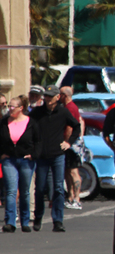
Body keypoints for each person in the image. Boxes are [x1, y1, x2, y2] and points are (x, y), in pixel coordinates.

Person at [31, 85, 81, 232]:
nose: (48, 99)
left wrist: (68, 142)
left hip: (57, 155)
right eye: (46, 96)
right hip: (41, 156)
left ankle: (58, 220)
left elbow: (76, 127)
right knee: (40, 188)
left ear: (57, 97)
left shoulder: (63, 112)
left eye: (51, 96)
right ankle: (38, 217)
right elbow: (28, 127)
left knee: (58, 188)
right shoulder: (37, 112)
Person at [1, 96, 39, 232]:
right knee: (11, 191)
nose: (10, 109)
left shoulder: (31, 123)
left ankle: (25, 221)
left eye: (13, 106)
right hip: (9, 159)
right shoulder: (4, 122)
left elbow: (38, 141)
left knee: (25, 191)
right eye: (9, 106)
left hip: (26, 160)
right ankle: (10, 222)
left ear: (21, 108)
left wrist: (33, 155)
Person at [59, 86, 86, 210]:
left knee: (73, 171)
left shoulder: (70, 108)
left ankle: (77, 198)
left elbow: (71, 127)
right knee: (67, 171)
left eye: (60, 94)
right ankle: (70, 197)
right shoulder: (69, 107)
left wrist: (67, 142)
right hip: (69, 144)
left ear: (65, 95)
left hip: (71, 145)